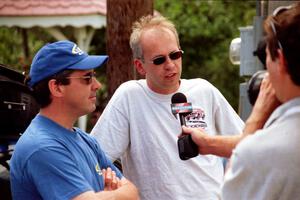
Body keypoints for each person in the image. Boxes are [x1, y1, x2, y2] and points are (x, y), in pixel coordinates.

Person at [91, 15, 244, 200]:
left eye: (175, 55)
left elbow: (244, 145)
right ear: (140, 66)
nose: (170, 65)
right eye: (159, 60)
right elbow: (94, 158)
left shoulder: (204, 90)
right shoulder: (129, 96)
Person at [184, 3, 300, 199]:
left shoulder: (258, 154)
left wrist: (256, 119)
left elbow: (240, 176)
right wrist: (209, 143)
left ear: (280, 60)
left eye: (267, 57)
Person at [10, 40, 139, 200]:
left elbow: (133, 192)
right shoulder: (42, 147)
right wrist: (114, 194)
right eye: (87, 78)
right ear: (57, 87)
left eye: (94, 76)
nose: (97, 85)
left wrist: (106, 197)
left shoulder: (86, 140)